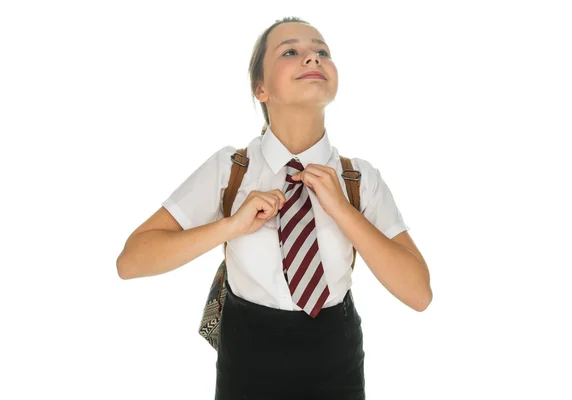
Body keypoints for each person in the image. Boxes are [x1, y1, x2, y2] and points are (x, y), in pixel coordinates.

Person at [117, 16, 432, 400]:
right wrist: (231, 227)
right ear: (260, 88)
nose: (312, 59)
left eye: (322, 52)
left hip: (337, 366)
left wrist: (343, 211)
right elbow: (130, 262)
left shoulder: (359, 179)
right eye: (291, 52)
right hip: (246, 365)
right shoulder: (230, 169)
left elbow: (419, 295)